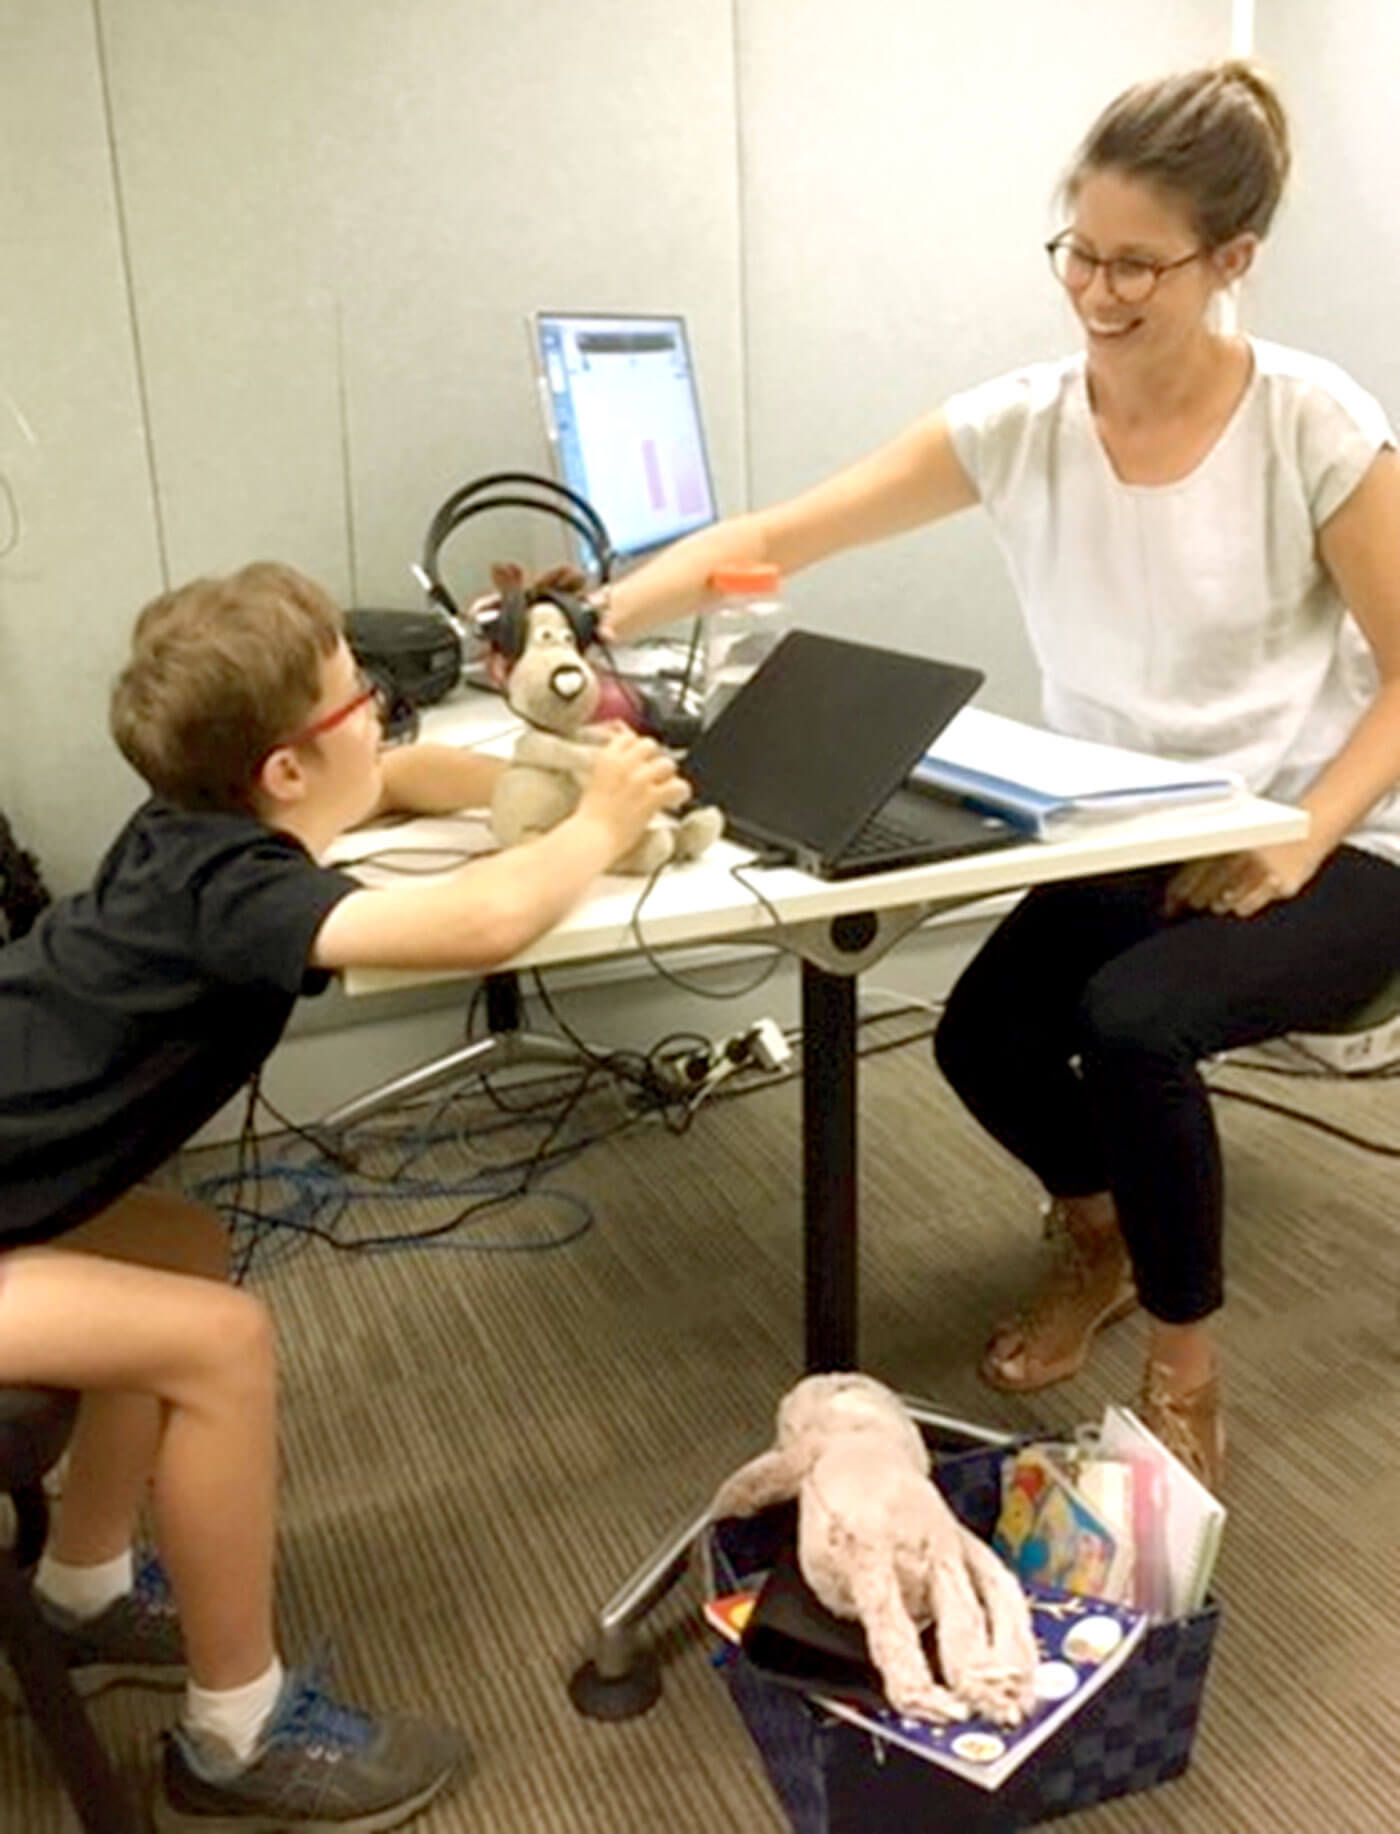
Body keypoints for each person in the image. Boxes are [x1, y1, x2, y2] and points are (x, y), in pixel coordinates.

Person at [596, 61, 1400, 1493]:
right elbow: (793, 530)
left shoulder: (1313, 423)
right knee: (983, 1034)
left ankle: (1185, 1373)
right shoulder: (1022, 424)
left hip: (1337, 830)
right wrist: (606, 618)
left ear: (1233, 262)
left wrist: (1303, 836)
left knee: (1133, 1020)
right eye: (1078, 251)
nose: (1098, 288)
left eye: (1138, 263)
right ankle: (1099, 1228)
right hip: (1141, 832)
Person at [0, 560, 687, 1829]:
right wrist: (595, 829)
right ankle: (234, 1733)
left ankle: (81, 1592)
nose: (381, 707)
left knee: (182, 1245)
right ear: (283, 773)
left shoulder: (201, 829)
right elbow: (481, 924)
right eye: (358, 697)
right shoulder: (241, 894)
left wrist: (552, 775)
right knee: (220, 1344)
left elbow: (413, 779)